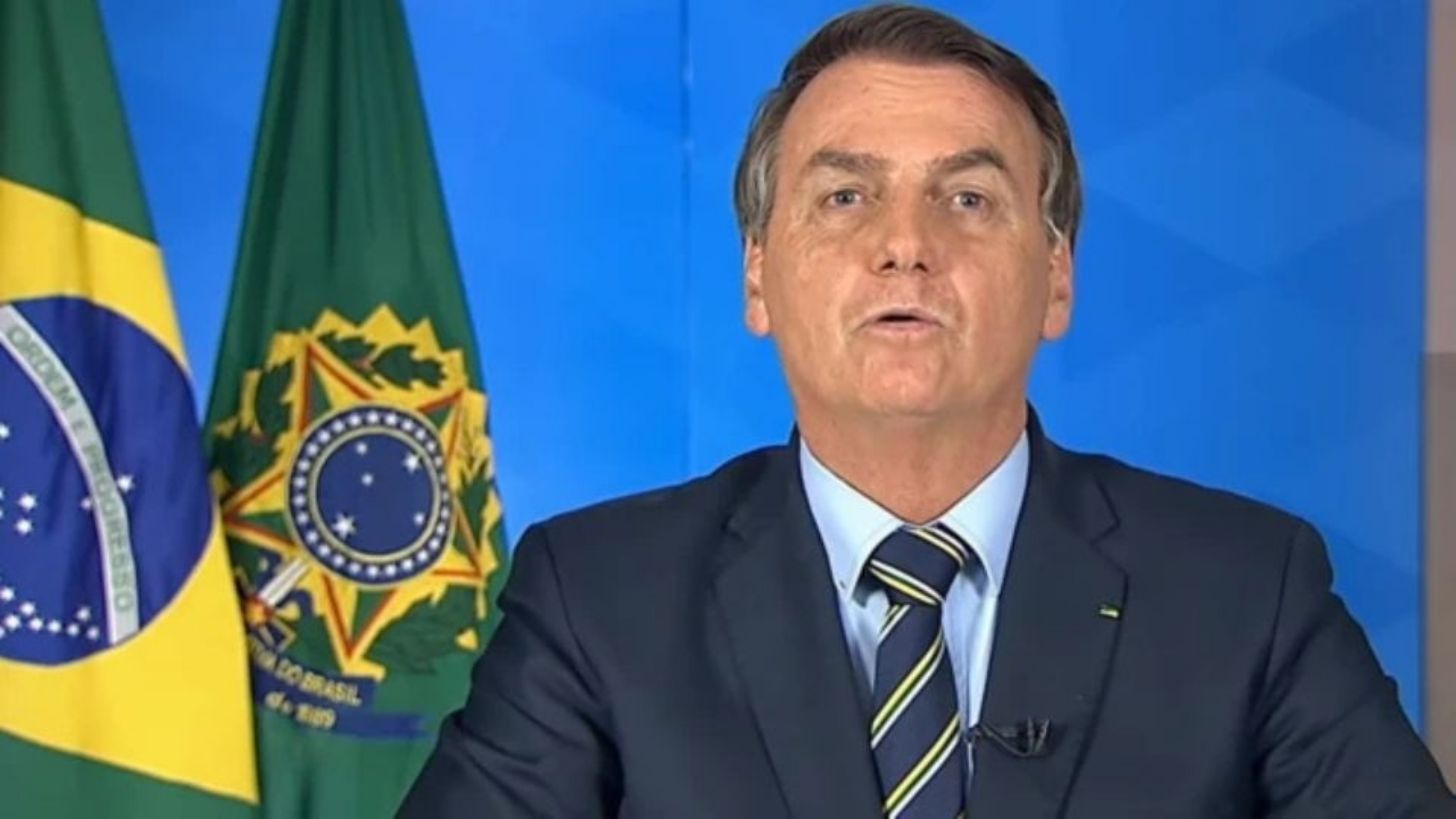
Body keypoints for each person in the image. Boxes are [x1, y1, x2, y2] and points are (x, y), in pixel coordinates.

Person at [399, 4, 1454, 816]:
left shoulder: (1249, 589)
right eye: (845, 196)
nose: (905, 245)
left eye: (968, 199)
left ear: (1055, 277)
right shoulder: (596, 598)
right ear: (758, 276)